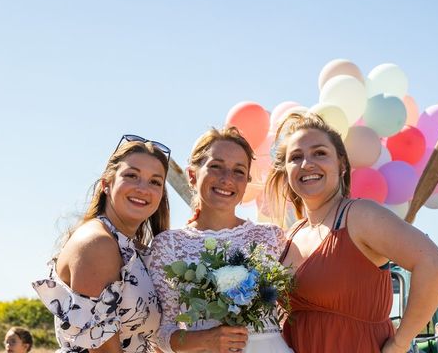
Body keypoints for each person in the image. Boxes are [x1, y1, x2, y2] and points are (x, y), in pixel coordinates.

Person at [266, 113, 438, 353]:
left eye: (319, 153)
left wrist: (400, 342)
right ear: (286, 170)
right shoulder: (290, 235)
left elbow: (435, 265)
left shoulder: (360, 215)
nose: (307, 164)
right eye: (296, 157)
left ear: (342, 164)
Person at [149, 127, 292, 353]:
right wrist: (206, 340)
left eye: (238, 171)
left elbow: (292, 313)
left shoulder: (271, 236)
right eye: (216, 167)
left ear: (246, 181)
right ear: (192, 175)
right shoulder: (168, 245)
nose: (227, 179)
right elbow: (161, 333)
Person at [33, 134, 171, 353]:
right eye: (132, 176)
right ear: (107, 184)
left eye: (155, 181)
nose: (143, 188)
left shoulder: (132, 249)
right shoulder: (98, 244)